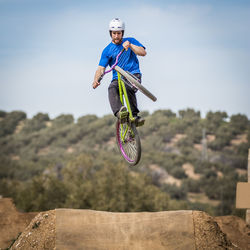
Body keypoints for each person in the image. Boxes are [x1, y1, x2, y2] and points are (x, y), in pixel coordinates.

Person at [92, 18, 146, 125]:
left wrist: (130, 45)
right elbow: (101, 68)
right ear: (110, 33)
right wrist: (95, 80)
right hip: (117, 77)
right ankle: (120, 113)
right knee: (112, 88)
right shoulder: (107, 50)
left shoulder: (130, 41)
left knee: (128, 86)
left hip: (133, 74)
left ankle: (135, 116)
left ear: (122, 33)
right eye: (114, 33)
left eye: (119, 33)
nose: (116, 36)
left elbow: (143, 52)